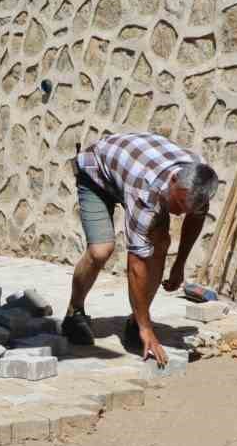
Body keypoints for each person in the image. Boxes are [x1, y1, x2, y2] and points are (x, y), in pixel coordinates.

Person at [61, 132, 218, 366]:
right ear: (173, 181)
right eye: (177, 204)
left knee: (160, 243)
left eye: (186, 209)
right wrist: (148, 329)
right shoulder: (145, 192)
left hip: (133, 168)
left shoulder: (199, 181)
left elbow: (195, 217)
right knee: (101, 250)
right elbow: (136, 264)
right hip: (96, 175)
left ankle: (135, 320)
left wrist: (180, 264)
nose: (178, 213)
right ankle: (74, 313)